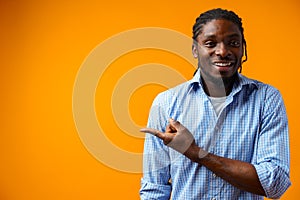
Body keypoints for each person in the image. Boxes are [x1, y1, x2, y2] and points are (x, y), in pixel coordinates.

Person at [139, 8, 291, 200]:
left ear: (243, 48)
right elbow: (154, 190)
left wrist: (195, 153)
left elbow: (274, 183)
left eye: (233, 43)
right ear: (195, 49)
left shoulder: (267, 99)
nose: (223, 52)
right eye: (210, 43)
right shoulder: (167, 103)